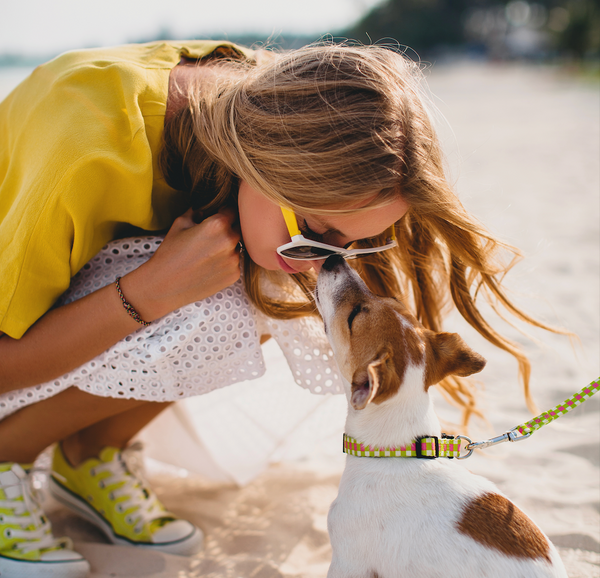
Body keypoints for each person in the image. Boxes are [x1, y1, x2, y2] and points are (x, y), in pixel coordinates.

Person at [0, 40, 562, 577]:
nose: (326, 261)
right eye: (317, 231)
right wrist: (153, 291)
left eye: (351, 244)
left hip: (68, 312)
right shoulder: (84, 146)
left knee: (265, 286)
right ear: (270, 163)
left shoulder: (288, 104)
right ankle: (9, 453)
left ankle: (89, 454)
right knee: (230, 297)